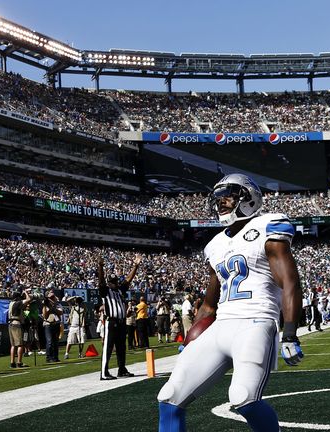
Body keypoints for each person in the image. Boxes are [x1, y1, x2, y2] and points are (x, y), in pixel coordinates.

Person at [157, 173, 304, 432]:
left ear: (248, 198)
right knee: (170, 396)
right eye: (218, 198)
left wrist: (290, 333)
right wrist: (190, 340)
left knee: (243, 397)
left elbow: (289, 281)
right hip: (221, 326)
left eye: (229, 195)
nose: (221, 202)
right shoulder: (216, 244)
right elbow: (209, 304)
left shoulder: (268, 226)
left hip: (255, 321)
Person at [97, 254, 141, 380]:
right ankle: (104, 372)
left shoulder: (120, 290)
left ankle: (121, 369)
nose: (114, 284)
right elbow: (100, 282)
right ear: (109, 283)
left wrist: (136, 266)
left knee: (122, 347)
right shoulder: (106, 291)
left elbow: (128, 279)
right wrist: (100, 266)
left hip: (121, 322)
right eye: (112, 282)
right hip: (111, 322)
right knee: (108, 347)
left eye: (115, 281)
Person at [8, 290, 32, 368]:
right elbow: (28, 299)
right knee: (20, 344)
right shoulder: (17, 303)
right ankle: (19, 362)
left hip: (10, 324)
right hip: (17, 324)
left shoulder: (11, 303)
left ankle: (12, 362)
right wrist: (25, 292)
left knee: (13, 345)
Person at [42, 290, 63, 363]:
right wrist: (48, 307)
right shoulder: (45, 305)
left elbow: (60, 312)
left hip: (56, 324)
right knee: (49, 341)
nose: (53, 298)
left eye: (53, 297)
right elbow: (45, 315)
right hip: (48, 324)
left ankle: (55, 357)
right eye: (51, 297)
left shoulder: (57, 304)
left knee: (55, 342)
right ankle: (49, 357)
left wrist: (53, 308)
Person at [64, 295, 86, 359]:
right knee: (70, 341)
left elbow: (83, 306)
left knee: (81, 341)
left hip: (80, 326)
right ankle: (66, 353)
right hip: (73, 326)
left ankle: (80, 353)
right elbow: (67, 300)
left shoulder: (83, 308)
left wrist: (80, 299)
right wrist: (74, 297)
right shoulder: (73, 308)